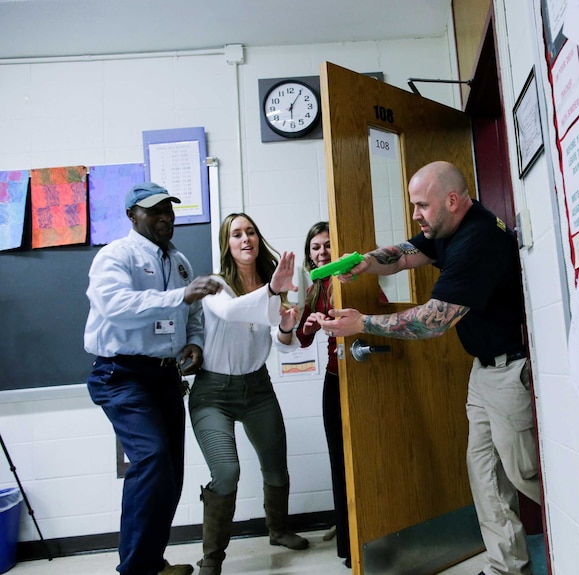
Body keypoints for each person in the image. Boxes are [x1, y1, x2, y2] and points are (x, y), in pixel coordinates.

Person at [319, 161, 541, 575]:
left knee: (526, 474)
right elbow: (404, 256)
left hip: (511, 371)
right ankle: (507, 568)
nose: (416, 214)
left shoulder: (477, 240)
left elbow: (433, 320)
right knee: (486, 475)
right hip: (484, 371)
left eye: (421, 205)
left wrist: (363, 324)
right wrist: (365, 262)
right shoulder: (448, 226)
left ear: (451, 200)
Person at [84, 182, 219, 575]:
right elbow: (116, 306)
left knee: (170, 471)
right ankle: (136, 570)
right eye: (154, 211)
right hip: (121, 374)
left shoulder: (179, 262)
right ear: (132, 216)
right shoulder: (116, 256)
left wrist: (193, 342)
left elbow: (193, 314)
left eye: (169, 211)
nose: (165, 218)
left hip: (164, 375)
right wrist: (180, 297)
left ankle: (151, 562)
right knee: (152, 459)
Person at [189, 213, 310, 575]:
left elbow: (283, 345)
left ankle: (278, 530)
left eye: (251, 232)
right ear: (227, 243)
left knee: (276, 467)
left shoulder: (275, 285)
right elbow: (230, 312)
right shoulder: (215, 285)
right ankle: (212, 558)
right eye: (237, 234)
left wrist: (287, 327)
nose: (246, 239)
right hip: (213, 392)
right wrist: (271, 292)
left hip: (257, 386)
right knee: (226, 471)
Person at [294, 221, 352, 568]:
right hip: (333, 379)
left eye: (327, 246)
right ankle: (347, 544)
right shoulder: (315, 286)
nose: (322, 253)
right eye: (315, 248)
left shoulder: (349, 278)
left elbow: (375, 311)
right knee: (338, 461)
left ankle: (364, 536)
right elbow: (301, 338)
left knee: (357, 459)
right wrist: (310, 326)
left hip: (359, 378)